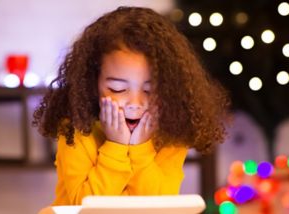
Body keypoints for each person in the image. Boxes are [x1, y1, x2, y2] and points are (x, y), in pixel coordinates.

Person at [34, 6, 229, 206]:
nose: (135, 104)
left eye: (149, 91)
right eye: (117, 89)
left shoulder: (170, 136)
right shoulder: (75, 130)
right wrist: (116, 147)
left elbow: (159, 206)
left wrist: (140, 149)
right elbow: (84, 206)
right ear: (92, 83)